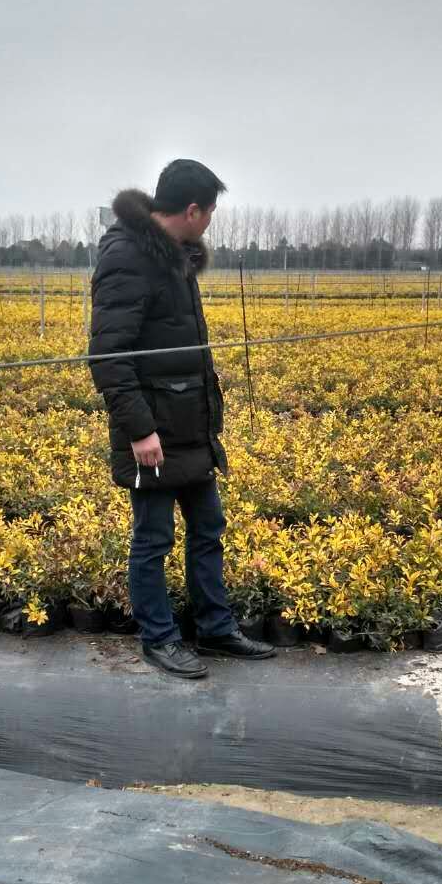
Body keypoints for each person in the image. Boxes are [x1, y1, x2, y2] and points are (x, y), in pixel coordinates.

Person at [89, 159, 275, 679]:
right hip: (154, 429)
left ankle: (215, 628)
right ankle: (159, 638)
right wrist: (140, 430)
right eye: (211, 211)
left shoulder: (175, 257)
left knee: (208, 527)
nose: (212, 220)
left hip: (190, 423)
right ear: (192, 210)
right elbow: (108, 355)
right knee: (152, 538)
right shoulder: (129, 257)